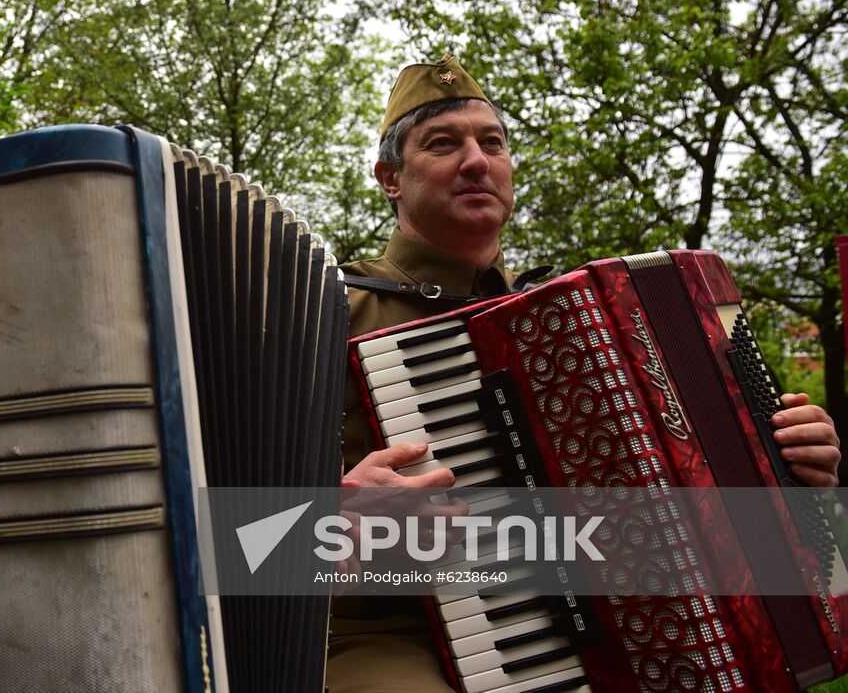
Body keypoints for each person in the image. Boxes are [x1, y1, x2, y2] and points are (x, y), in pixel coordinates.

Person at [324, 55, 842, 693]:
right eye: (442, 144)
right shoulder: (324, 312)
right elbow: (217, 539)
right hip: (386, 636)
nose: (477, 160)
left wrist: (789, 465)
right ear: (389, 179)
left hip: (608, 638)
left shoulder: (569, 316)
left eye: (493, 143)